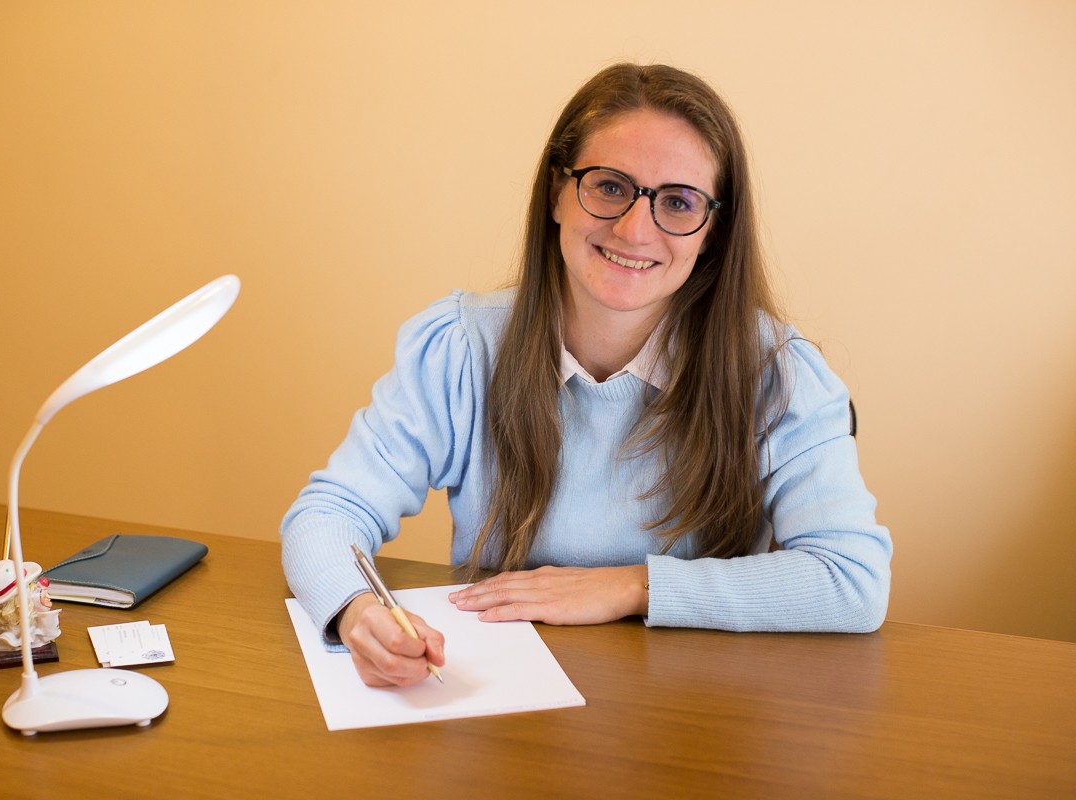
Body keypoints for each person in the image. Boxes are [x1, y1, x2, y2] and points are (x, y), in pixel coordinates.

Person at [281, 63, 891, 687]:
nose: (634, 228)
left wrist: (629, 587)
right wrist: (358, 613)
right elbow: (329, 513)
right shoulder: (461, 348)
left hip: (699, 718)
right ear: (555, 192)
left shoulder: (776, 373)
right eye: (609, 186)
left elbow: (852, 578)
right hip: (500, 710)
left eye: (677, 202)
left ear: (713, 231)